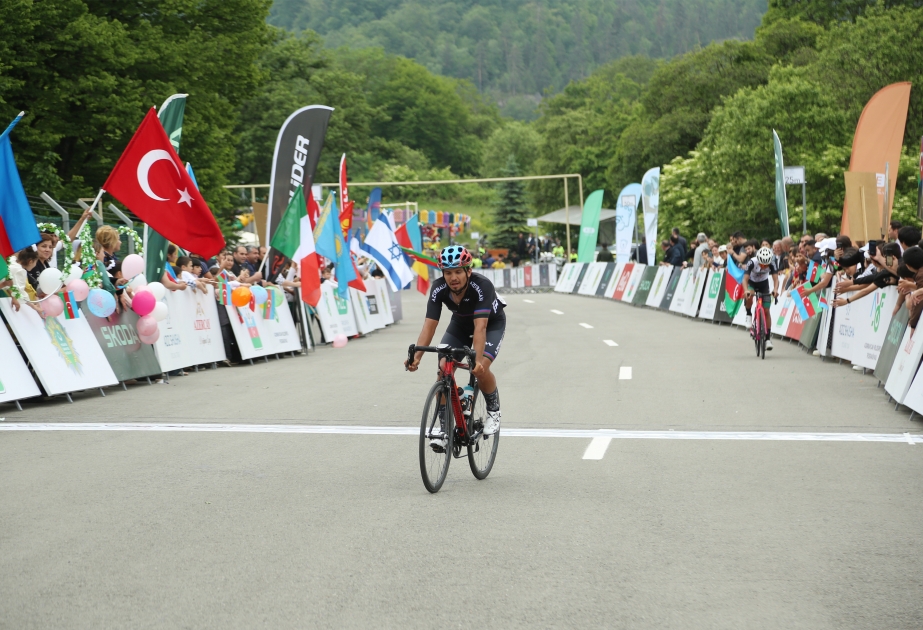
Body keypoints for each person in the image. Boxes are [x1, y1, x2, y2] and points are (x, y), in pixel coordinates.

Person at [405, 246, 506, 445]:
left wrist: (477, 361)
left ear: (468, 271)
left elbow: (480, 327)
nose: (453, 277)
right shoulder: (438, 288)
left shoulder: (482, 285)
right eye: (448, 273)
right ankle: (445, 431)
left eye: (458, 271)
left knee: (481, 368)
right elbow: (429, 325)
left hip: (490, 324)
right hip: (460, 325)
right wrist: (417, 357)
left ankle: (494, 411)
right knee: (443, 369)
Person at [742, 246, 780, 350]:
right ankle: (748, 314)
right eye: (762, 264)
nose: (764, 266)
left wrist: (775, 289)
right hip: (752, 282)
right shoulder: (752, 262)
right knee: (750, 294)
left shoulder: (772, 263)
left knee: (767, 311)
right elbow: (745, 279)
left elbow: (776, 279)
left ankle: (767, 339)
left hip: (764, 284)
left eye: (766, 265)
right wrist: (746, 290)